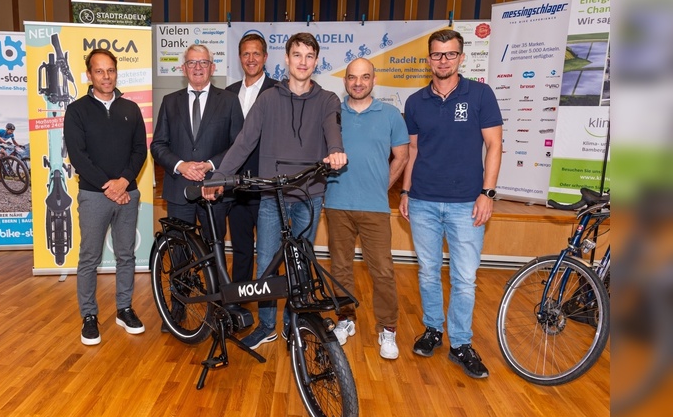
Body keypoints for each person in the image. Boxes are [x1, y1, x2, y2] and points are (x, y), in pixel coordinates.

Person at [204, 32, 347, 350]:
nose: (303, 62)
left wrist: (336, 150)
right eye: (297, 55)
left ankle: (292, 323)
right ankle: (268, 325)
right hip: (273, 196)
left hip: (310, 195)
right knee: (266, 262)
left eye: (309, 56)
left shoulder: (328, 100)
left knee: (300, 264)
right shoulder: (268, 100)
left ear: (316, 61)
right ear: (286, 59)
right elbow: (244, 141)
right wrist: (221, 176)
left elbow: (332, 130)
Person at [399, 29, 503, 378]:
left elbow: (495, 145)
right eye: (437, 55)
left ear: (461, 57)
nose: (443, 60)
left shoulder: (481, 95)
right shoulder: (414, 102)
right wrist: (405, 191)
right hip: (423, 201)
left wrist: (487, 193)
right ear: (428, 59)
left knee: (464, 278)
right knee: (428, 272)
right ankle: (433, 330)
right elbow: (413, 151)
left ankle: (460, 343)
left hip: (466, 204)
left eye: (450, 54)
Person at [324, 58, 409, 359]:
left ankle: (388, 329)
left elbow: (402, 155)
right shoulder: (331, 114)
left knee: (383, 270)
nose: (358, 83)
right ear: (345, 80)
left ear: (374, 79)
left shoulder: (389, 115)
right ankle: (346, 319)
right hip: (336, 203)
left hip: (374, 207)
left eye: (364, 77)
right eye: (352, 77)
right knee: (340, 269)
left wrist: (383, 185)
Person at [64, 48, 148, 346]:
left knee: (126, 255)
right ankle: (89, 316)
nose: (106, 76)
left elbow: (140, 150)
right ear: (89, 75)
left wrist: (124, 182)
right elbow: (79, 157)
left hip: (128, 193)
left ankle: (124, 309)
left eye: (110, 70)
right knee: (90, 257)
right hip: (94, 195)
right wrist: (110, 187)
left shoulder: (131, 109)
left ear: (116, 72)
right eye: (99, 71)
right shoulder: (76, 111)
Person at [150, 44, 244, 246]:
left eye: (203, 62)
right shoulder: (169, 102)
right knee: (179, 251)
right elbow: (158, 145)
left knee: (214, 250)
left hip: (214, 188)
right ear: (184, 69)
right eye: (192, 62)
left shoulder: (229, 101)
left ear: (212, 67)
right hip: (179, 190)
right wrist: (181, 165)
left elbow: (238, 145)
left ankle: (214, 280)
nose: (198, 67)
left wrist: (211, 164)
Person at [224, 33, 277, 285]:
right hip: (236, 188)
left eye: (256, 53)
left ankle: (267, 308)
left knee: (269, 254)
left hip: (267, 186)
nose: (251, 59)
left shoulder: (279, 91)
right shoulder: (228, 93)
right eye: (246, 54)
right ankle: (238, 303)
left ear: (265, 57)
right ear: (239, 58)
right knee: (241, 249)